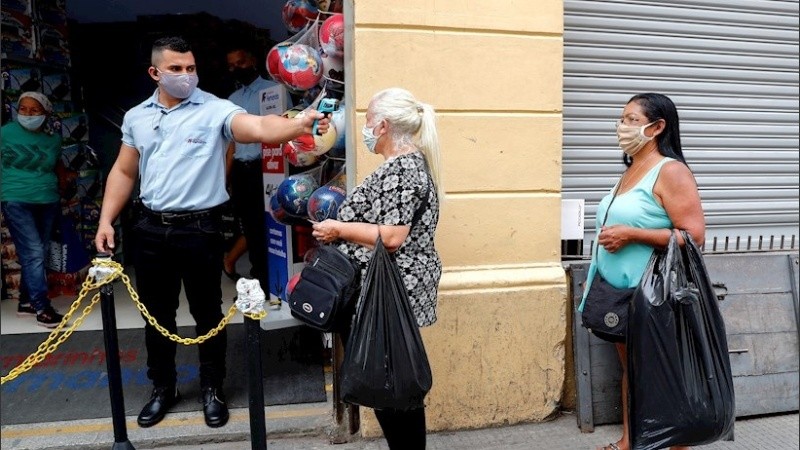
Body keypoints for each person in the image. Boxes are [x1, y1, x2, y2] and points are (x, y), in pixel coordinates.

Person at [93, 36, 328, 429]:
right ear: (155, 73)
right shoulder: (137, 117)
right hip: (150, 229)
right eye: (176, 69)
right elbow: (124, 171)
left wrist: (296, 124)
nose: (186, 76)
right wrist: (105, 220)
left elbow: (257, 127)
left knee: (207, 314)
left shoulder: (215, 109)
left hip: (200, 229)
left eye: (190, 68)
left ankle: (212, 389)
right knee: (156, 315)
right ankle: (162, 388)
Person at [311, 87, 443, 449]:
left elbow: (395, 236)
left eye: (368, 119)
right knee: (388, 380)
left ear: (382, 125)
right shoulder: (402, 164)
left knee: (392, 382)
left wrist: (337, 229)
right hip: (382, 289)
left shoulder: (403, 168)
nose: (365, 127)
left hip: (387, 292)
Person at [577, 93, 705, 450]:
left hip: (652, 296)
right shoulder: (632, 169)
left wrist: (632, 234)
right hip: (621, 296)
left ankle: (675, 446)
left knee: (662, 375)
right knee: (632, 371)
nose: (623, 127)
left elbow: (693, 235)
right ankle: (629, 441)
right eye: (622, 119)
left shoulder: (671, 171)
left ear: (657, 127)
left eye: (632, 120)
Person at [222, 43, 292, 289]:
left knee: (272, 223)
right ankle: (259, 278)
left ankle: (276, 281)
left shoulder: (275, 91)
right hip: (243, 171)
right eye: (231, 66)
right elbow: (231, 146)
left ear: (252, 59)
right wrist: (226, 178)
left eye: (239, 63)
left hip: (270, 168)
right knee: (250, 227)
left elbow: (288, 130)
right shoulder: (232, 100)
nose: (236, 69)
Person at [0, 91, 65, 328]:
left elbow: (57, 167)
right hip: (15, 197)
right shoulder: (5, 134)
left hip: (47, 199)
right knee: (34, 252)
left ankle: (27, 302)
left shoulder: (53, 139)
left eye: (34, 110)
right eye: (23, 109)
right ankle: (42, 308)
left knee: (39, 250)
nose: (27, 114)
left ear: (46, 114)